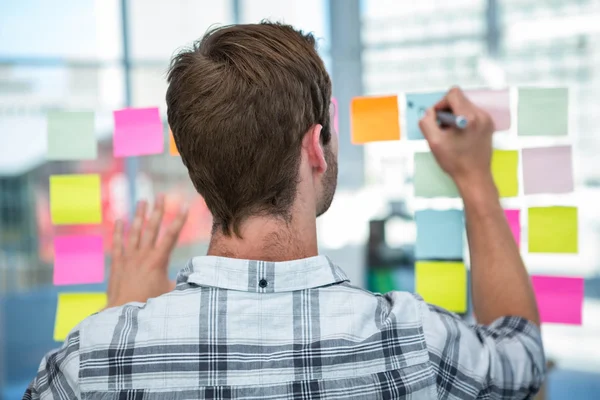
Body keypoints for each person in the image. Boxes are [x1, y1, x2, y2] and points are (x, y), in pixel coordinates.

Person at [25, 22, 545, 399]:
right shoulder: (416, 342)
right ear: (316, 146)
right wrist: (476, 181)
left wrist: (117, 324)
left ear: (197, 163)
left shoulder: (88, 362)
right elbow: (525, 362)